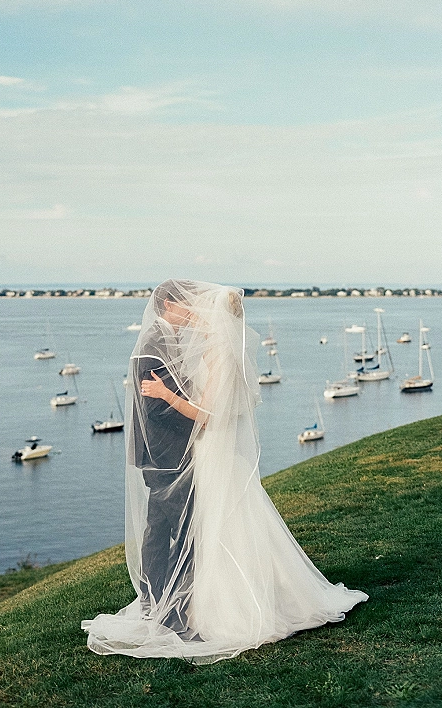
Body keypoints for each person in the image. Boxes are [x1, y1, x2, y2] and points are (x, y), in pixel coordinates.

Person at [82, 280, 368, 664]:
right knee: (180, 529)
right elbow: (155, 413)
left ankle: (190, 605)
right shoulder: (156, 348)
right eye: (188, 308)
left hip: (206, 449)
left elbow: (210, 412)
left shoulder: (217, 354)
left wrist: (173, 399)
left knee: (203, 529)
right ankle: (170, 602)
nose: (194, 316)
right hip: (173, 455)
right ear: (169, 305)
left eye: (200, 311)